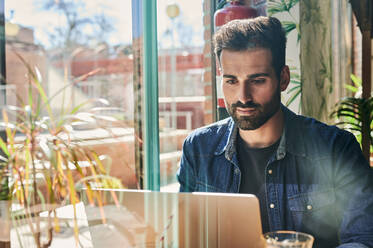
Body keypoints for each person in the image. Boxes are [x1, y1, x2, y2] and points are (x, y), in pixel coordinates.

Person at [177, 16, 373, 248]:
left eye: (257, 80)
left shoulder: (336, 148)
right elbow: (181, 234)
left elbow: (363, 239)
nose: (243, 97)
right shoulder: (198, 148)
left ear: (283, 78)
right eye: (231, 81)